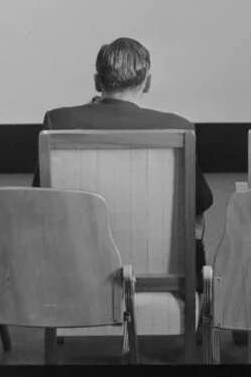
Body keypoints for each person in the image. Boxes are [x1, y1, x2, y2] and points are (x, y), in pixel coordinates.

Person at [32, 37, 213, 293]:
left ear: (97, 82)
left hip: (79, 270)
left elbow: (41, 194)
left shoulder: (58, 121)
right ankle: (192, 296)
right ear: (147, 83)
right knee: (196, 218)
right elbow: (202, 199)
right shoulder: (178, 127)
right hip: (157, 268)